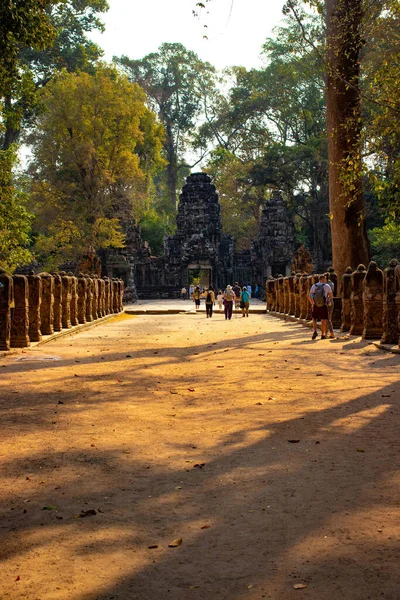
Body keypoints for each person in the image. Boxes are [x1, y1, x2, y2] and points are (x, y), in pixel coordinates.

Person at [308, 274, 333, 340]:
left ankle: (315, 331)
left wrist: (312, 303)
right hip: (323, 305)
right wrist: (328, 300)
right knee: (323, 320)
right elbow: (331, 296)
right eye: (325, 279)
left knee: (314, 319)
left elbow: (309, 296)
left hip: (315, 304)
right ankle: (323, 334)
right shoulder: (327, 286)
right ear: (323, 279)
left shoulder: (314, 286)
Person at [325, 272, 335, 339]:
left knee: (327, 318)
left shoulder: (325, 285)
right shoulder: (332, 284)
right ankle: (326, 333)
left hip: (326, 301)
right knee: (328, 318)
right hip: (331, 301)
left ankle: (331, 333)